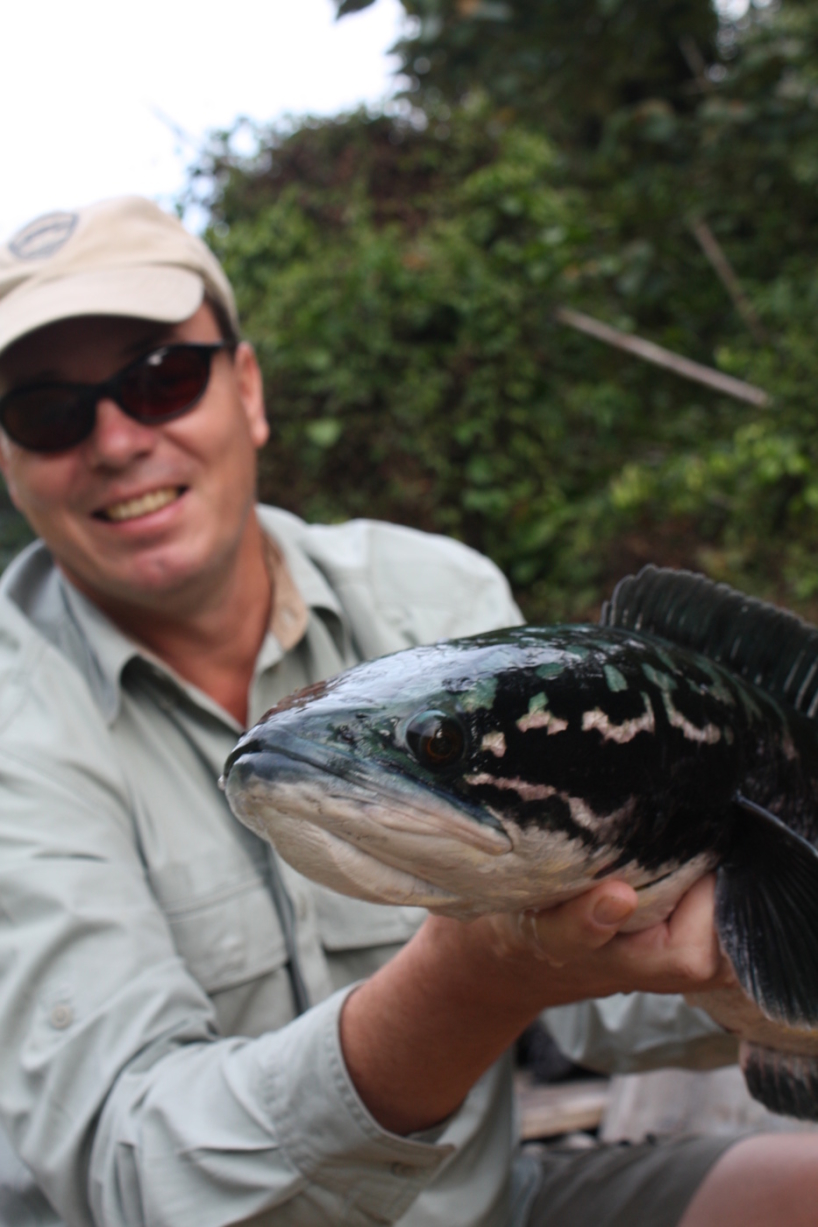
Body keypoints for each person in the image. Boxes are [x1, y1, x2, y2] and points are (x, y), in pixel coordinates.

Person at [0, 196, 814, 1227]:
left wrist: (753, 974)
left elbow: (612, 1016)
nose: (117, 440)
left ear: (245, 390)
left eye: (162, 379)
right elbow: (130, 1175)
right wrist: (475, 980)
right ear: (9, 458)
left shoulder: (431, 593)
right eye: (47, 410)